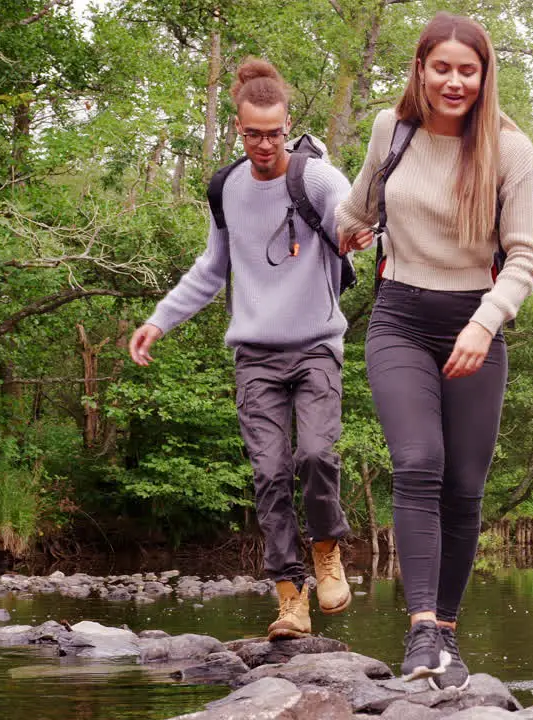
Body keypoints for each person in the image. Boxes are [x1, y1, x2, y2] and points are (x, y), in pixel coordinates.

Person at [336, 11, 533, 690]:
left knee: (464, 487)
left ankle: (448, 635)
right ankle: (420, 628)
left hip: (473, 322)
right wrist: (346, 232)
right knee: (418, 461)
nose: (454, 81)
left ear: (485, 77)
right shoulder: (388, 131)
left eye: (468, 69)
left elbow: (526, 256)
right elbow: (358, 208)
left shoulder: (512, 152)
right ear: (420, 69)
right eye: (441, 67)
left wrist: (485, 324)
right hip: (399, 315)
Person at [128, 58, 354, 641]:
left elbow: (363, 222)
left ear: (287, 125)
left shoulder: (319, 180)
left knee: (315, 455)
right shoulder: (226, 189)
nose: (263, 144)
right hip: (255, 353)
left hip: (316, 348)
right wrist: (160, 320)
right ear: (237, 127)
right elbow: (212, 269)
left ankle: (327, 552)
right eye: (252, 134)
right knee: (269, 473)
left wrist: (363, 233)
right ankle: (289, 599)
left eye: (274, 133)